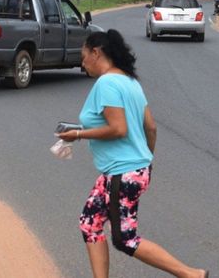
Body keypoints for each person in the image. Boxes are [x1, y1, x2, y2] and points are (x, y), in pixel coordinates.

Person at [58, 29, 209, 278]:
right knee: (90, 223)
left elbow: (118, 128)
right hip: (128, 170)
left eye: (84, 56)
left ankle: (190, 274)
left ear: (96, 53)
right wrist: (145, 161)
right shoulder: (130, 81)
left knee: (125, 239)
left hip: (123, 172)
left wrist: (76, 135)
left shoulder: (106, 83)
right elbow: (150, 126)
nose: (82, 63)